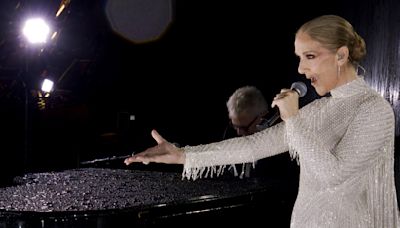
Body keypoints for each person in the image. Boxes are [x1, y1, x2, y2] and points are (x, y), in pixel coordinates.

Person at [124, 15, 400, 227]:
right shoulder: (319, 110)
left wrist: (292, 118)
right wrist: (183, 155)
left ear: (341, 55)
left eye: (310, 57)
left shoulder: (373, 110)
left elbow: (334, 175)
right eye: (299, 58)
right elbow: (254, 146)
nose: (301, 69)